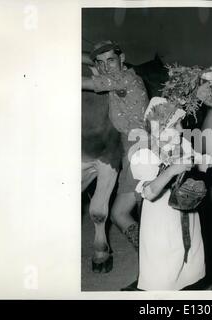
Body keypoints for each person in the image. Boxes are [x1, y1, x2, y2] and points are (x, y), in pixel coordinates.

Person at [130, 97, 206, 290]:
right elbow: (149, 192)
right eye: (176, 124)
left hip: (186, 213)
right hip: (160, 219)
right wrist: (173, 170)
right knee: (163, 270)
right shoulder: (144, 154)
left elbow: (205, 161)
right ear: (159, 129)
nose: (181, 129)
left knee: (187, 266)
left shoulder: (183, 146)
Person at [82, 40, 149, 252]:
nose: (105, 67)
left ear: (122, 59)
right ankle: (149, 253)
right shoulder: (114, 76)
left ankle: (153, 257)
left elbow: (84, 83)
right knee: (120, 213)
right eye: (100, 63)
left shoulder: (125, 78)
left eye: (110, 60)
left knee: (142, 209)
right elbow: (90, 63)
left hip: (140, 149)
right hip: (128, 148)